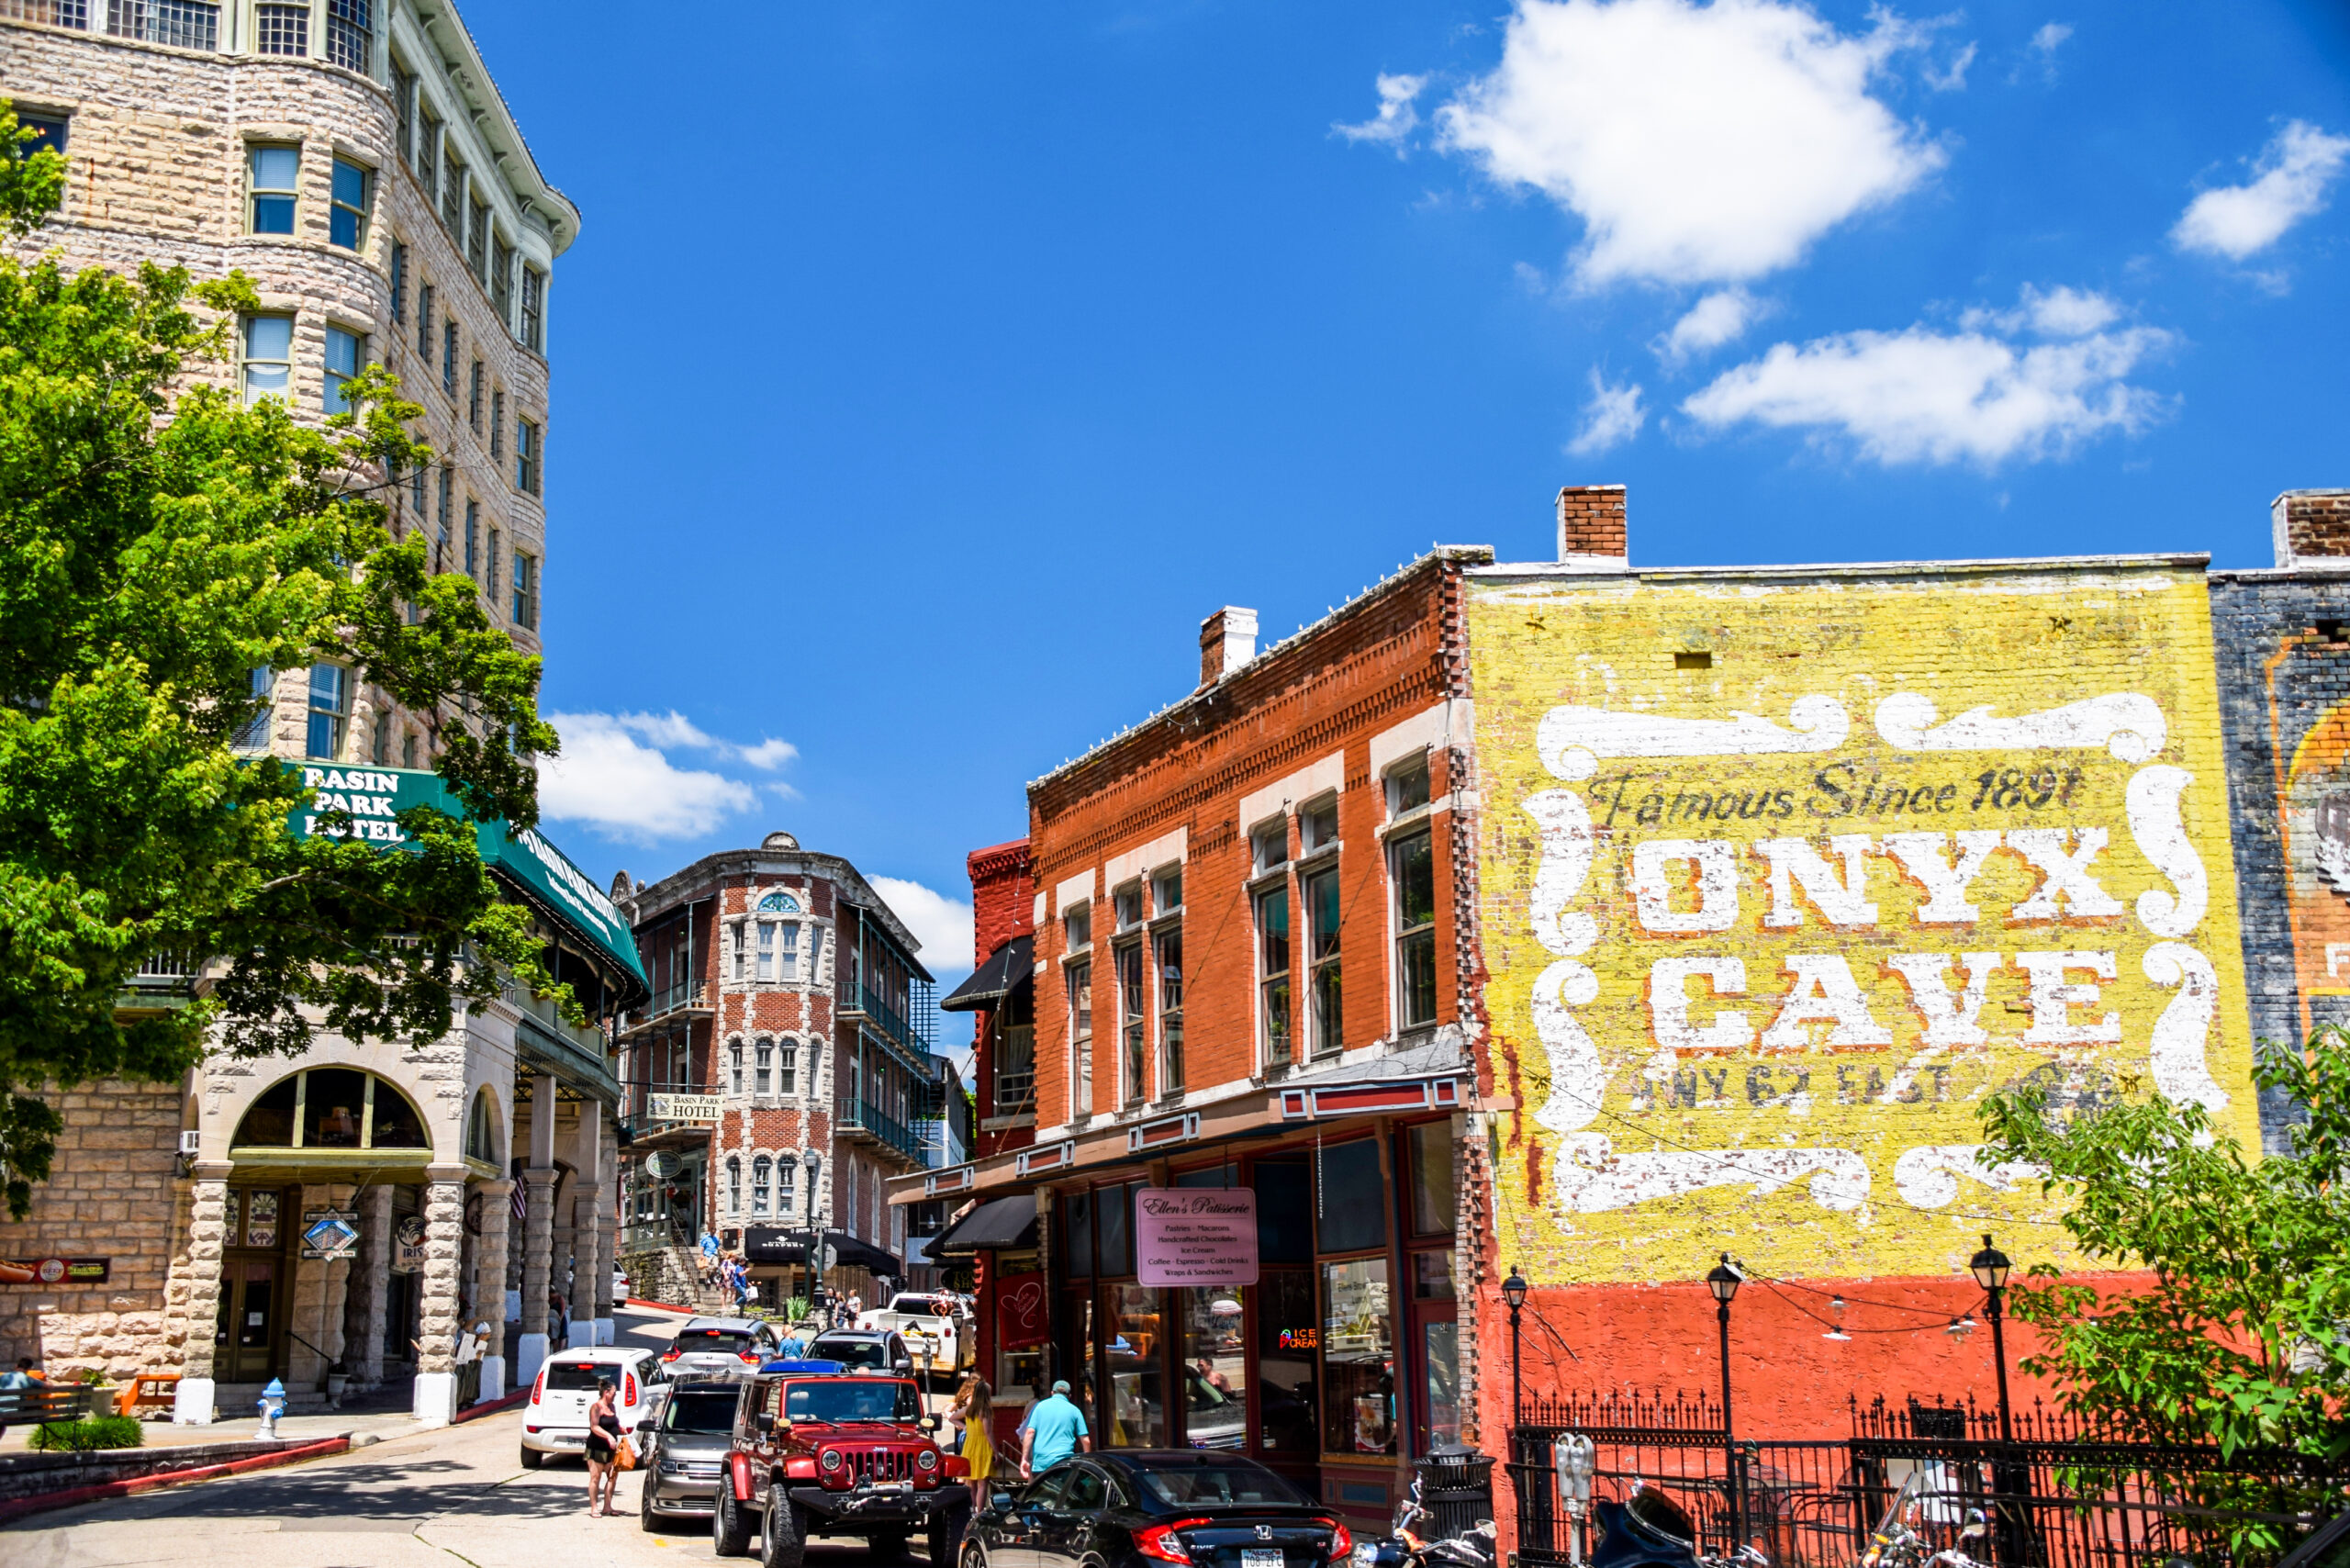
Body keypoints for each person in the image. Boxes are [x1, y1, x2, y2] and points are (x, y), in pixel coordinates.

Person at [1019, 1379, 1090, 1481]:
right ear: (1069, 1396)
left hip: (1040, 1465)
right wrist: (1086, 1463)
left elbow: (1030, 1432)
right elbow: (1086, 1441)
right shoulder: (1075, 1411)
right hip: (1064, 1465)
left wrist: (1024, 1459)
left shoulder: (1039, 1407)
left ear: (1052, 1393)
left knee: (1039, 1495)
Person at [950, 1375, 996, 1511]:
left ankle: (973, 1508)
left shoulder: (969, 1409)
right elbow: (988, 1432)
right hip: (982, 1446)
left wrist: (964, 1427)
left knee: (972, 1481)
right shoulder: (985, 1411)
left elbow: (952, 1417)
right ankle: (980, 1512)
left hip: (970, 1444)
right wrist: (996, 1451)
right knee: (983, 1483)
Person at [583, 1376, 624, 1518]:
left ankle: (607, 1506)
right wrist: (608, 1436)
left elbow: (612, 1423)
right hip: (597, 1447)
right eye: (614, 1393)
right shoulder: (596, 1407)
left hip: (611, 1449)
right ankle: (594, 1507)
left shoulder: (611, 1407)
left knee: (613, 1475)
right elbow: (594, 1426)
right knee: (595, 1477)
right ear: (606, 1392)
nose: (615, 1395)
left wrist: (619, 1428)